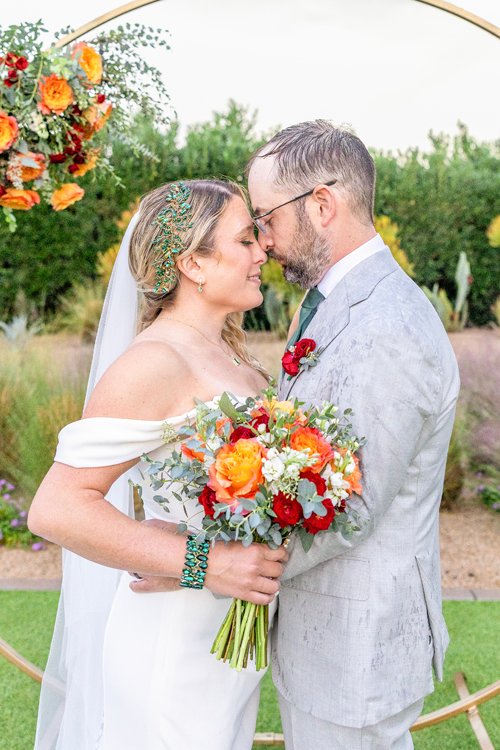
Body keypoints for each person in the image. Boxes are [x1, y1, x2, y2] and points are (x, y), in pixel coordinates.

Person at [28, 179, 288, 750]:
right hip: (170, 646)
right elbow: (57, 509)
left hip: (225, 643)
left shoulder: (233, 358)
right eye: (245, 238)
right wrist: (203, 563)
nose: (262, 251)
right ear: (193, 262)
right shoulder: (153, 361)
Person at [245, 120, 460, 749]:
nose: (263, 241)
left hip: (358, 648)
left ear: (321, 204)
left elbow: (351, 509)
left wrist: (223, 563)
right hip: (327, 642)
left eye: (266, 218)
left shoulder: (387, 325)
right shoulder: (332, 302)